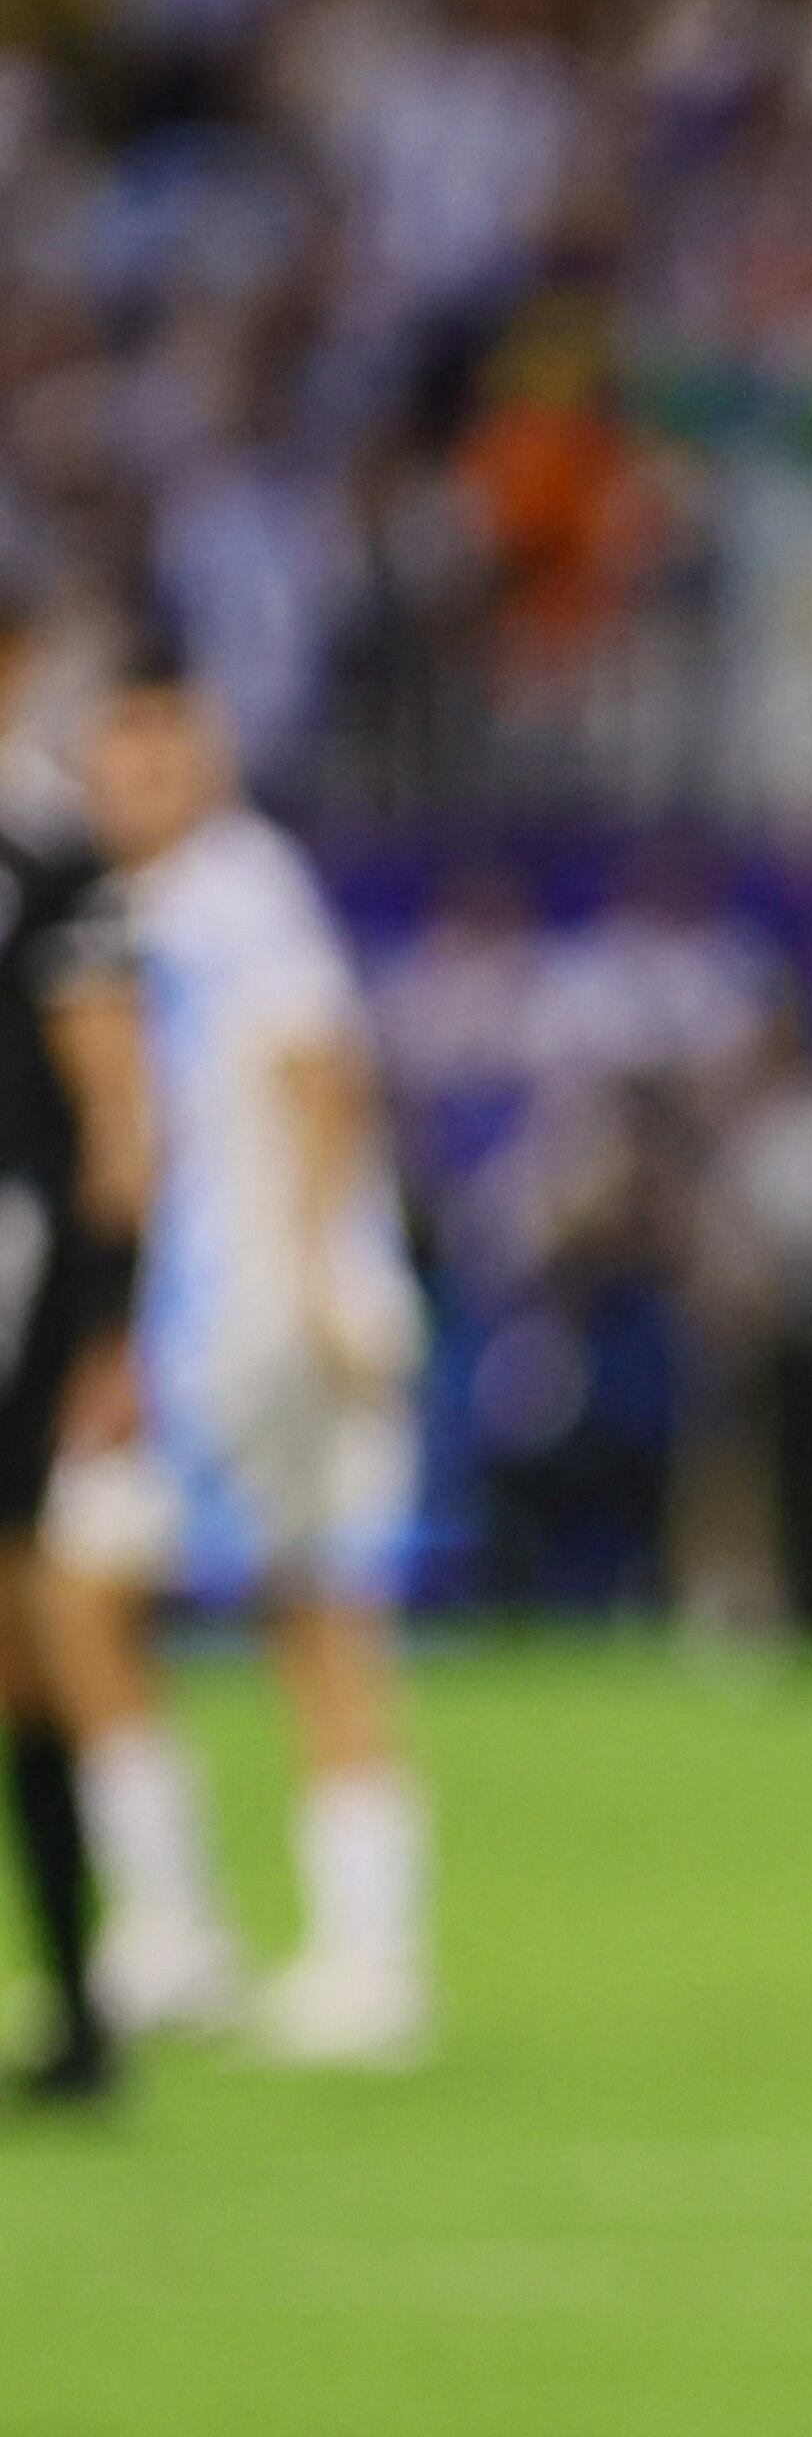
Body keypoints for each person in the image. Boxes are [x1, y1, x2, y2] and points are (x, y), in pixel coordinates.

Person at [42, 648, 431, 2065]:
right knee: (140, 1602)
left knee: (293, 1613)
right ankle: (209, 1925)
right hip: (212, 1318)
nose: (134, 787)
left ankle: (324, 1945)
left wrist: (325, 1275)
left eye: (159, 759)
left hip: (256, 1320)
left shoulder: (234, 895)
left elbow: (321, 1073)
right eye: (115, 762)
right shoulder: (151, 903)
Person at [0, 588, 140, 2097]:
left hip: (17, 1271)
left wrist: (106, 1325)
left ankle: (87, 1994)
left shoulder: (45, 855)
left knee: (24, 1622)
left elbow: (117, 1114)